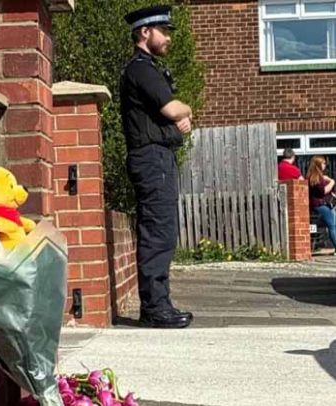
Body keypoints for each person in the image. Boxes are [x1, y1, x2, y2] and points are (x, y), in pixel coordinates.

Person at [120, 5, 193, 328]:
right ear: (145, 32)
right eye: (163, 31)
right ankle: (155, 308)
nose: (168, 38)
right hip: (151, 158)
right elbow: (174, 110)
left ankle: (158, 304)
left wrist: (180, 117)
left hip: (156, 158)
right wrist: (184, 110)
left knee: (162, 230)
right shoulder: (142, 69)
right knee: (158, 232)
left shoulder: (146, 69)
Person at [307, 156, 336, 250]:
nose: (325, 165)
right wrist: (332, 182)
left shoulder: (320, 177)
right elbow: (323, 191)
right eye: (323, 163)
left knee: (332, 225)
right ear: (318, 165)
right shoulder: (315, 177)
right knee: (332, 226)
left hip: (326, 204)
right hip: (321, 205)